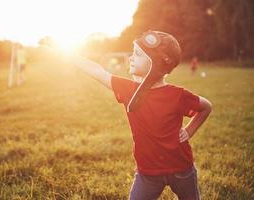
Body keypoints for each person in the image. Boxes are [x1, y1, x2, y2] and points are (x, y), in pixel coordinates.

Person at [68, 30, 212, 200]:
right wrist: (67, 55)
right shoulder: (128, 90)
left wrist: (189, 130)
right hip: (148, 174)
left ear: (155, 63)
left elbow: (206, 107)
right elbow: (97, 70)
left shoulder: (177, 95)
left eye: (137, 54)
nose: (130, 58)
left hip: (181, 169)